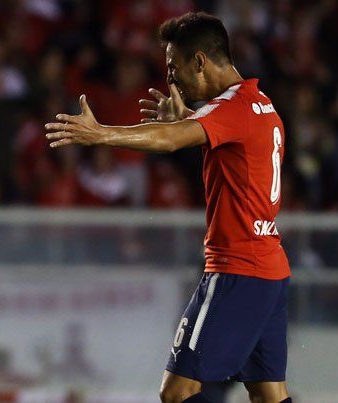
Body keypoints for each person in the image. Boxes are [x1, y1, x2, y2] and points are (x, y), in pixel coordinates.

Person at [45, 12, 291, 403]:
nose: (171, 80)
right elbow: (231, 144)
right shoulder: (260, 104)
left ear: (200, 61)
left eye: (174, 68)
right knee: (269, 396)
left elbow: (170, 140)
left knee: (177, 391)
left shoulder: (231, 108)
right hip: (270, 270)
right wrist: (192, 119)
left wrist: (100, 134)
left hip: (237, 268)